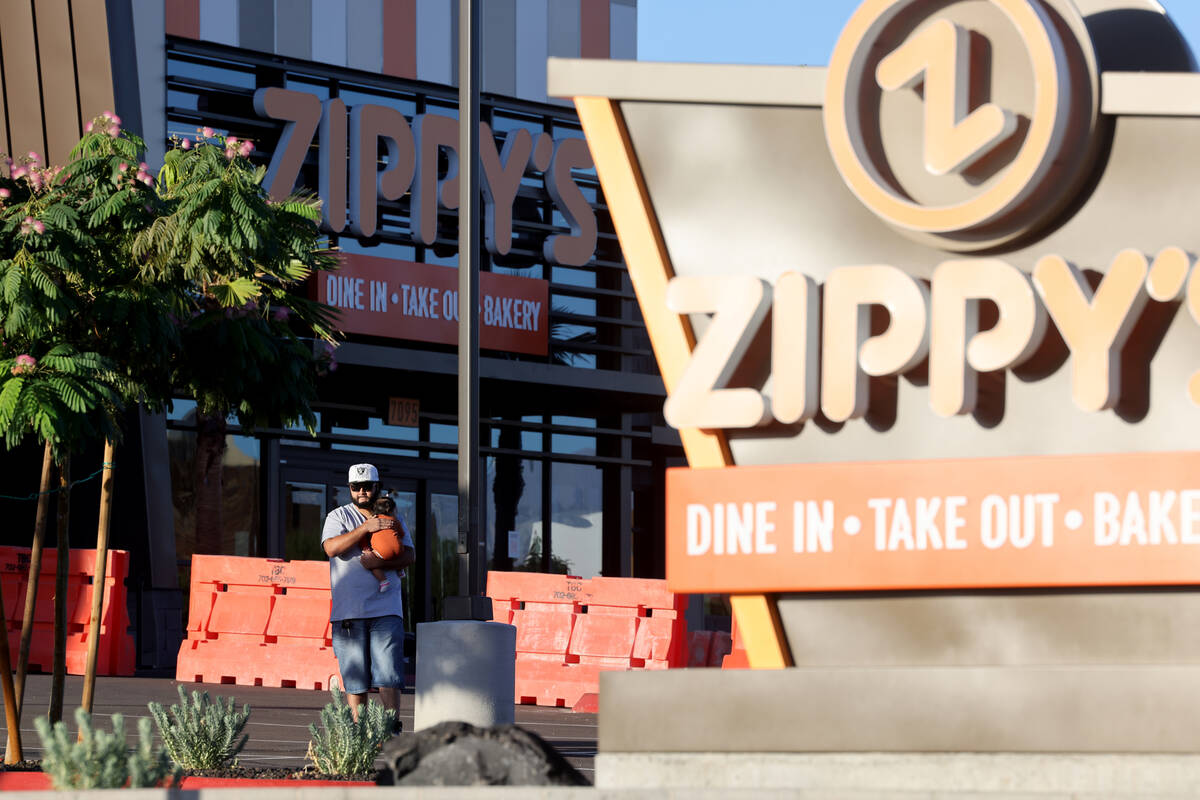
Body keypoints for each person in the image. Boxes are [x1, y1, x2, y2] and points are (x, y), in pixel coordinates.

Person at [321, 463, 416, 725]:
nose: (362, 491)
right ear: (349, 488)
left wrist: (380, 562)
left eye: (367, 486)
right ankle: (358, 729)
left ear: (377, 487)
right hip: (349, 610)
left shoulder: (393, 516)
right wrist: (366, 528)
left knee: (388, 671)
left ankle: (391, 725)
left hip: (386, 608)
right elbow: (331, 548)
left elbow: (409, 554)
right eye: (356, 487)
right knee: (355, 676)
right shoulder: (338, 517)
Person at [363, 495, 401, 592]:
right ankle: (400, 569)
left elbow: (362, 536)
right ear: (390, 509)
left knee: (368, 561)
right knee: (398, 549)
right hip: (399, 551)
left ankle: (383, 581)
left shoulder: (371, 522)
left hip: (383, 552)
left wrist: (365, 548)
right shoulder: (395, 520)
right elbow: (402, 534)